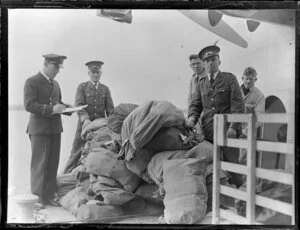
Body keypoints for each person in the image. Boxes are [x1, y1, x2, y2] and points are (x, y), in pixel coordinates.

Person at [187, 45, 245, 187]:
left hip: (227, 131)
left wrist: (233, 126)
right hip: (209, 132)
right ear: (204, 64)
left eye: (213, 59)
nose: (210, 63)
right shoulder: (201, 83)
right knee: (212, 166)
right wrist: (192, 118)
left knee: (232, 165)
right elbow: (196, 104)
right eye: (207, 61)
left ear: (219, 62)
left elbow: (237, 104)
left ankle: (239, 194)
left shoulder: (229, 79)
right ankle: (218, 197)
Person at [24, 54, 71, 207]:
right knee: (40, 165)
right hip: (39, 130)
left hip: (55, 129)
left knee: (52, 164)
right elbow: (29, 105)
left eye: (59, 67)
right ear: (46, 64)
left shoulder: (56, 84)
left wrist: (70, 109)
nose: (58, 70)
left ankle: (49, 197)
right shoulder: (32, 81)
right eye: (55, 67)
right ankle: (38, 199)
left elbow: (59, 103)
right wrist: (52, 109)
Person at [63, 61, 114, 174]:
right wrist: (85, 119)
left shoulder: (105, 89)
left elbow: (110, 110)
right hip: (83, 126)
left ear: (101, 73)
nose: (95, 75)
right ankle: (65, 177)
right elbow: (79, 105)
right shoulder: (82, 87)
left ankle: (89, 178)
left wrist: (113, 126)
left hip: (99, 129)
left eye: (98, 72)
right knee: (76, 153)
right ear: (89, 73)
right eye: (93, 72)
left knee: (97, 153)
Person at [239, 67, 265, 165]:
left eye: (251, 79)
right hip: (232, 131)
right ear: (242, 78)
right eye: (247, 78)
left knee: (244, 161)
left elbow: (259, 118)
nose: (249, 81)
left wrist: (245, 131)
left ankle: (247, 181)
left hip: (247, 134)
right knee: (230, 160)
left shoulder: (259, 96)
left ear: (256, 79)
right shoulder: (235, 92)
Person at [187, 54, 206, 134]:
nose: (196, 66)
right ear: (190, 65)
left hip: (205, 118)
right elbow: (190, 99)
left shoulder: (208, 77)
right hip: (194, 117)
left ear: (203, 63)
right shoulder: (193, 78)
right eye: (193, 64)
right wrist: (190, 117)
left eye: (198, 63)